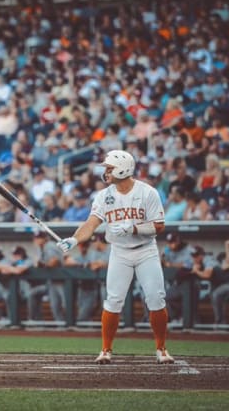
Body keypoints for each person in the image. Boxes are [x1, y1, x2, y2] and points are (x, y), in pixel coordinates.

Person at [56, 149, 174, 364]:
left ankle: (161, 349)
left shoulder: (148, 192)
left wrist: (134, 228)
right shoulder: (104, 195)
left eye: (109, 168)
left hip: (146, 250)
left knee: (156, 298)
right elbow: (91, 224)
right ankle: (106, 350)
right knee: (113, 300)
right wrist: (74, 240)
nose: (106, 172)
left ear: (123, 168)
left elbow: (159, 226)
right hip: (119, 252)